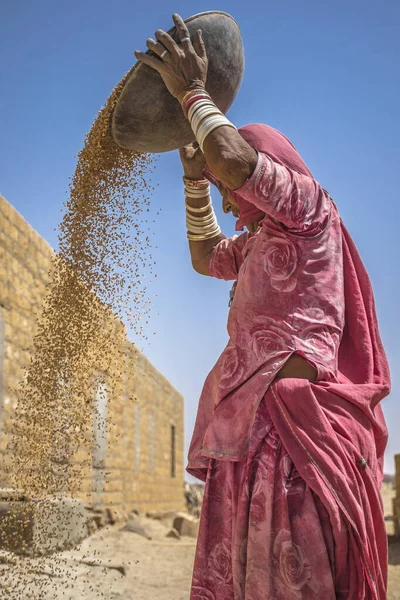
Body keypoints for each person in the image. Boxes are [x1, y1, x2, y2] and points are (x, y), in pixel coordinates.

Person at [135, 14, 391, 600]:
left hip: (303, 439)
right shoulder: (256, 244)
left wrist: (193, 95)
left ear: (270, 164)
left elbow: (230, 159)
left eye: (232, 186)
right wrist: (193, 183)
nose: (230, 197)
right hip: (249, 443)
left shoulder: (309, 209)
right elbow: (204, 257)